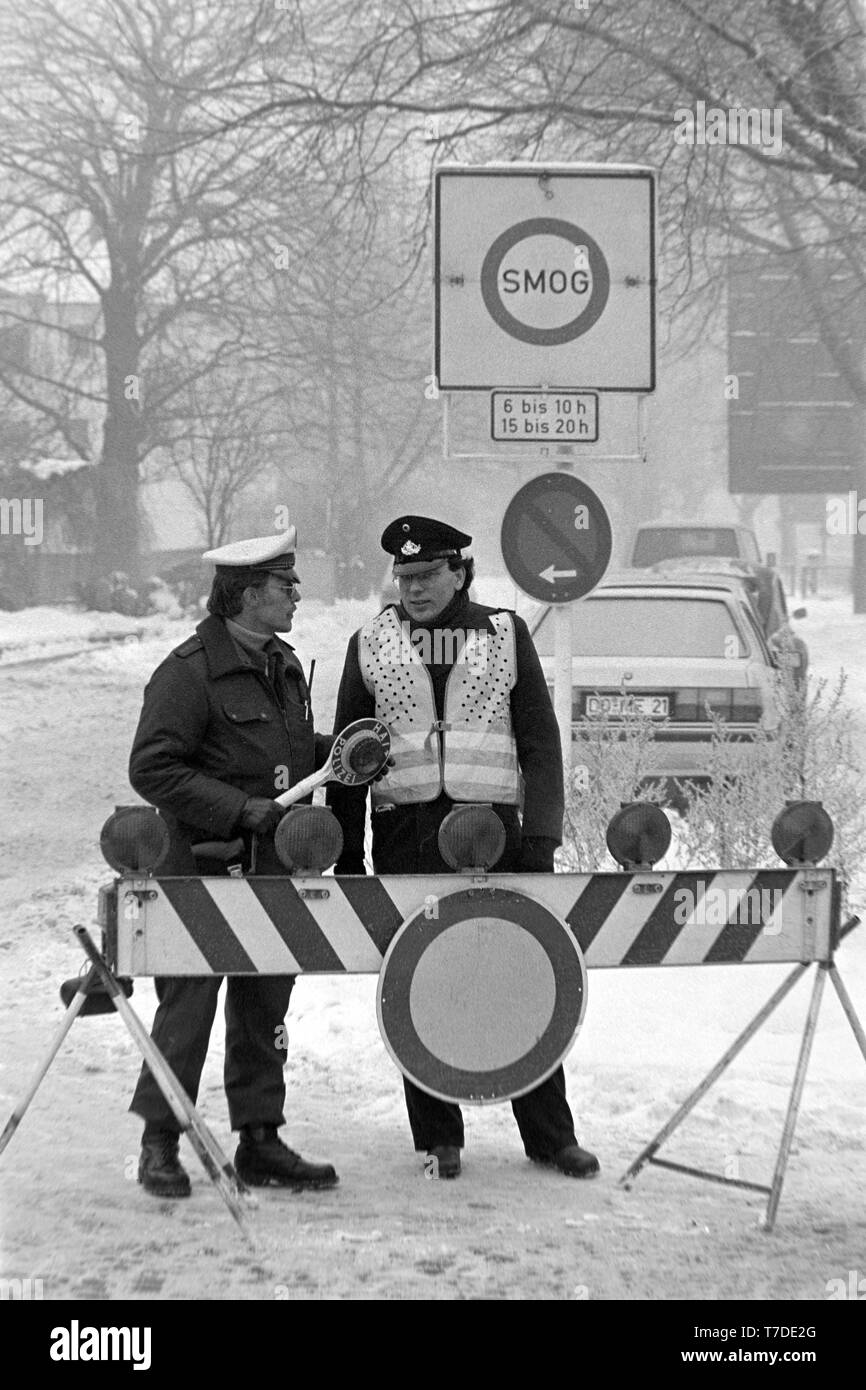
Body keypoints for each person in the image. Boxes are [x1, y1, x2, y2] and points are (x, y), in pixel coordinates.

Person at [327, 515, 599, 1182]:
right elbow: (349, 751)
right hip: (407, 837)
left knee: (519, 973)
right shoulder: (369, 643)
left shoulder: (505, 633)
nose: (414, 588)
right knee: (421, 981)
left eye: (427, 576)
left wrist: (541, 837)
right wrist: (346, 853)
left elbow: (540, 742)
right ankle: (438, 1138)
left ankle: (549, 1135)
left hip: (494, 835)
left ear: (458, 573)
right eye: (404, 577)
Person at [127, 528, 338, 1198]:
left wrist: (343, 753)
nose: (297, 595)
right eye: (285, 586)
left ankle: (260, 1140)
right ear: (248, 595)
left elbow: (287, 752)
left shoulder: (285, 664)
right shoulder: (187, 671)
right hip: (203, 867)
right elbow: (152, 768)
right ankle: (160, 1140)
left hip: (273, 870)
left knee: (265, 1007)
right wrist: (238, 809)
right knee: (187, 1007)